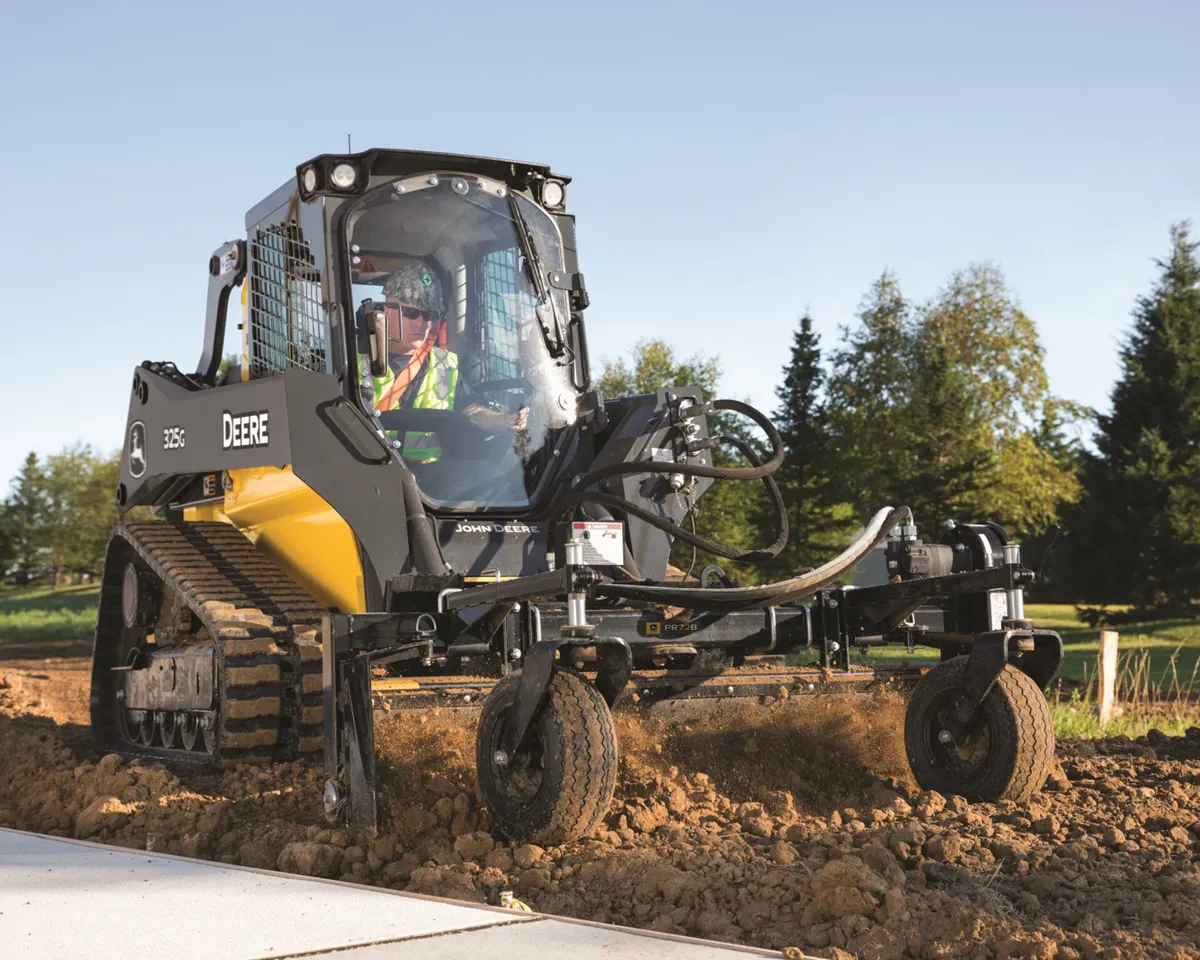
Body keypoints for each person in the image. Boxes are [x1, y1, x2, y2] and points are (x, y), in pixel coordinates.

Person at [361, 259, 525, 462]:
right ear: (386, 309)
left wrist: (504, 420)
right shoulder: (355, 360)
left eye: (428, 315)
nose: (421, 322)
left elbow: (473, 412)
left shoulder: (445, 365)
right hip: (367, 466)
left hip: (428, 483)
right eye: (412, 313)